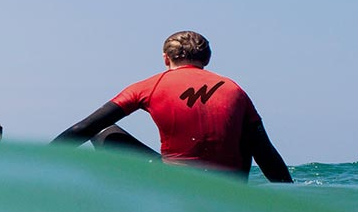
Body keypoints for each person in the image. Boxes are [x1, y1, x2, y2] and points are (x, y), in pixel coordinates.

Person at [52, 31, 292, 182]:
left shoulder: (149, 86)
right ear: (207, 59)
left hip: (176, 182)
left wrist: (38, 165)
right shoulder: (234, 89)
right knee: (247, 132)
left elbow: (84, 128)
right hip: (230, 186)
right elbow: (266, 155)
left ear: (166, 58)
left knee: (102, 129)